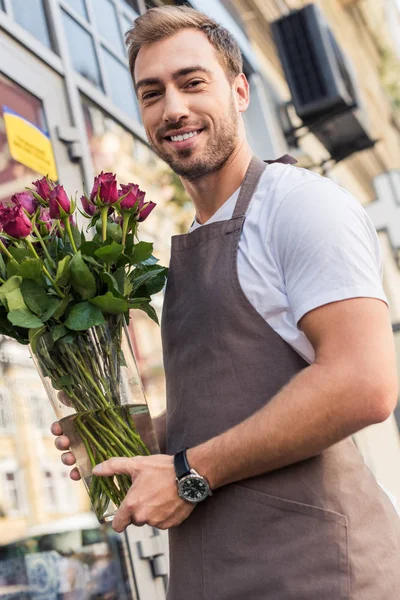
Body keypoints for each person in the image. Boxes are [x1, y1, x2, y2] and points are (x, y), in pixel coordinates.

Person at [51, 6, 400, 599]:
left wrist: (186, 473)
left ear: (239, 90)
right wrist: (140, 436)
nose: (174, 108)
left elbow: (363, 382)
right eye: (152, 93)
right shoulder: (190, 242)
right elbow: (237, 400)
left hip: (317, 577)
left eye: (193, 82)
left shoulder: (301, 206)